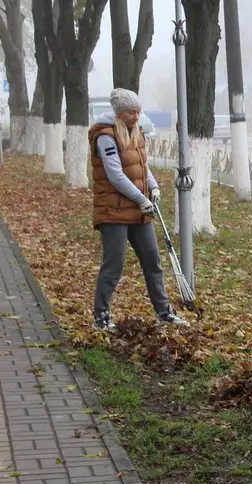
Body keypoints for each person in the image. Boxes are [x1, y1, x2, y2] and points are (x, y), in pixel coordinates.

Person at [88, 88, 188, 329]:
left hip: (137, 209)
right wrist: (141, 199)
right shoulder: (105, 136)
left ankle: (163, 311)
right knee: (114, 264)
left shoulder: (137, 132)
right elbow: (115, 175)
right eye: (132, 112)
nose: (137, 116)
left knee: (153, 260)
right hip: (113, 210)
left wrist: (152, 188)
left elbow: (143, 166)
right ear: (120, 113)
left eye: (138, 111)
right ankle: (101, 316)